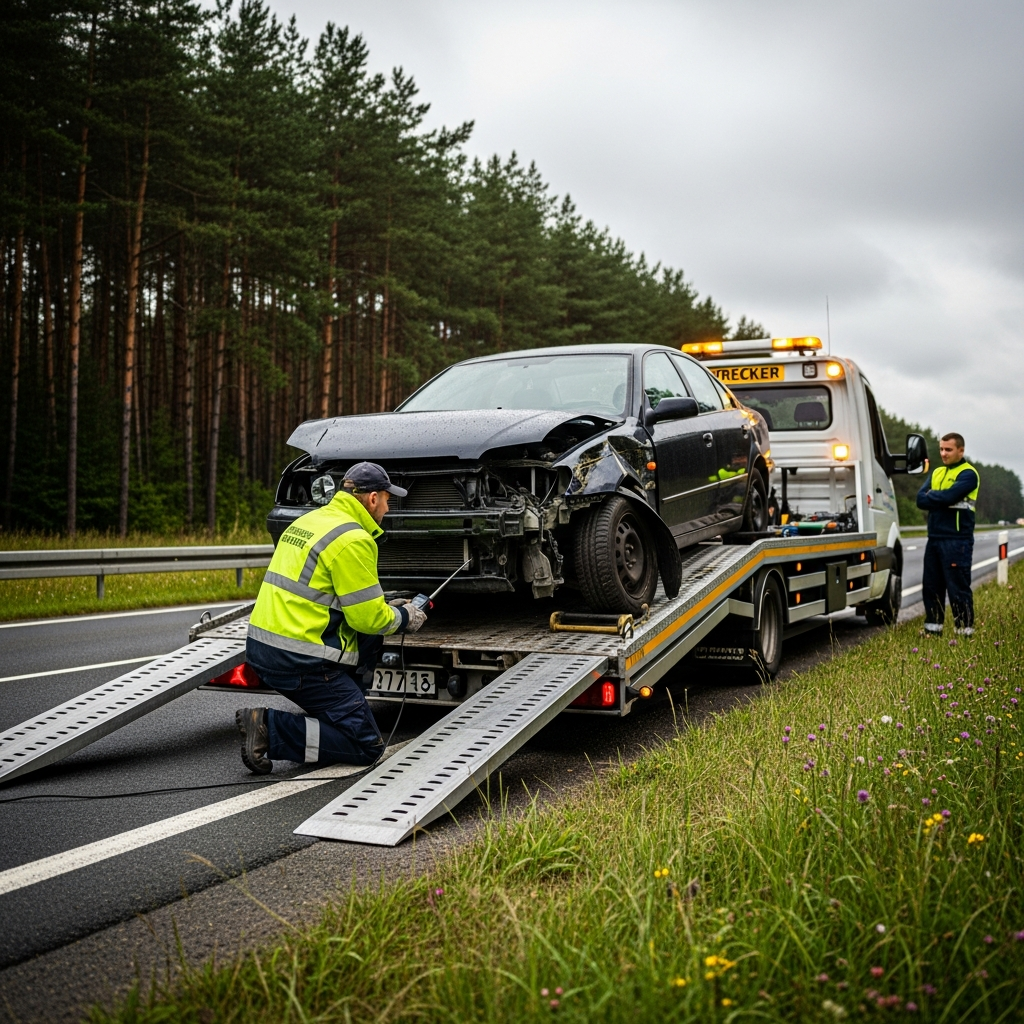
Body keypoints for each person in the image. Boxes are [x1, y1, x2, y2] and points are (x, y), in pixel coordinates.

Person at [236, 462, 426, 774]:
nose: (388, 508)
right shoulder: (354, 539)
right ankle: (270, 728)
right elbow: (368, 620)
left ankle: (342, 708)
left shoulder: (309, 521)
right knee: (367, 746)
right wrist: (404, 616)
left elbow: (325, 592)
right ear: (373, 499)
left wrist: (383, 602)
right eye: (388, 500)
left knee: (360, 658)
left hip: (263, 647)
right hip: (301, 659)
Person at [917, 432, 979, 636]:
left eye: (948, 449)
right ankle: (932, 631)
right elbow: (920, 500)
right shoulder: (936, 473)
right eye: (941, 449)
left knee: (957, 588)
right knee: (931, 587)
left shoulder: (968, 474)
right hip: (934, 538)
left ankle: (964, 632)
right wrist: (940, 498)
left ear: (961, 450)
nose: (943, 453)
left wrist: (935, 497)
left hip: (957, 539)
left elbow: (950, 496)